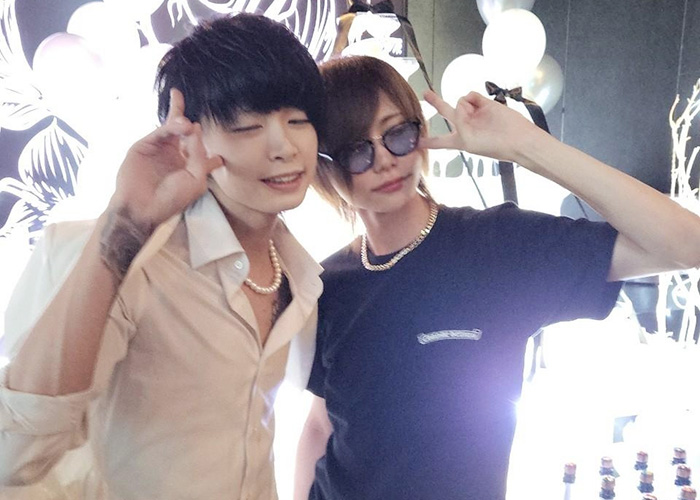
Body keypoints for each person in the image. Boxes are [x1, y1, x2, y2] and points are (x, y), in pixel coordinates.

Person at [293, 55, 700, 500]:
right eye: (356, 150)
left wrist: (527, 146)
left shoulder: (497, 246)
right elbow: (321, 425)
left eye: (397, 134)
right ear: (324, 166)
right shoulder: (327, 285)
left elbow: (687, 244)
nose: (385, 160)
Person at [0, 13, 325, 499]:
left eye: (298, 120)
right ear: (188, 135)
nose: (285, 147)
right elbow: (14, 454)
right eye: (246, 126)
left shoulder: (300, 272)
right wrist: (124, 224)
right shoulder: (123, 260)